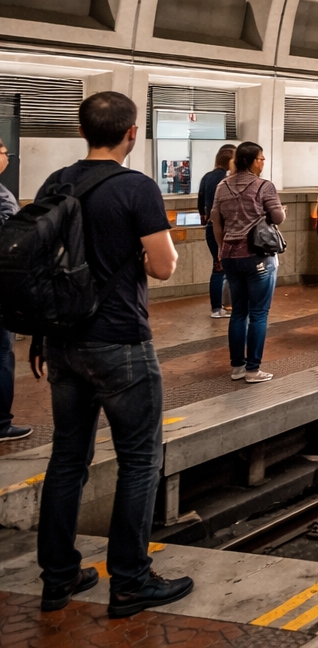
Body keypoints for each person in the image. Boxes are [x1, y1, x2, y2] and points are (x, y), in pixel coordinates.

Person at [33, 92, 193, 617]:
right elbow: (165, 266)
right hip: (120, 339)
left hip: (62, 340)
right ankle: (129, 581)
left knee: (67, 458)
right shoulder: (137, 187)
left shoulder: (56, 182)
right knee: (141, 460)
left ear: (84, 131)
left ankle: (57, 578)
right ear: (131, 132)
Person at [211, 143, 283, 383]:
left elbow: (216, 221)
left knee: (238, 313)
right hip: (257, 257)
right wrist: (279, 211)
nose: (263, 162)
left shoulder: (222, 186)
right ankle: (253, 369)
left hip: (230, 256)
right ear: (252, 161)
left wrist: (222, 250)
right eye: (261, 159)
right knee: (259, 314)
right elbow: (278, 217)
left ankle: (237, 368)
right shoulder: (264, 186)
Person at [0, 138, 29, 442]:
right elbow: (14, 247)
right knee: (2, 356)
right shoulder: (2, 198)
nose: (7, 157)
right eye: (3, 152)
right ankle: (1, 423)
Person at [197, 144, 235, 320]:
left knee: (217, 266)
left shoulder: (207, 177)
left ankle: (216, 307)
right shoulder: (229, 179)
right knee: (229, 268)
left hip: (211, 228)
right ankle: (227, 304)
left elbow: (200, 205)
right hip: (227, 228)